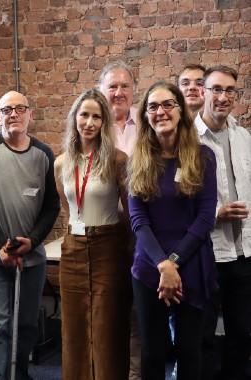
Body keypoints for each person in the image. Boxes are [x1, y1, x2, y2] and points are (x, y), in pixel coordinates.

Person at [0, 90, 60, 380]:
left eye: (20, 109)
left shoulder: (43, 154)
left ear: (30, 115)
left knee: (26, 327)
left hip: (31, 260)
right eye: (7, 110)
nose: (14, 114)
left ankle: (18, 375)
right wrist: (0, 247)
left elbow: (52, 205)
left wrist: (33, 241)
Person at [127, 81, 218, 380]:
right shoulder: (137, 161)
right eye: (152, 106)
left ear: (180, 110)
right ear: (145, 116)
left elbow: (205, 218)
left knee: (190, 351)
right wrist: (163, 265)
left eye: (167, 104)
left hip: (191, 265)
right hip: (150, 268)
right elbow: (138, 220)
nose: (160, 111)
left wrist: (175, 263)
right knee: (153, 352)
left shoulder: (203, 157)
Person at [54, 89, 132, 380]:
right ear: (75, 118)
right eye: (84, 115)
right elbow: (68, 207)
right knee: (73, 331)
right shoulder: (61, 163)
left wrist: (129, 250)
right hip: (73, 248)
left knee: (107, 331)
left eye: (96, 116)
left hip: (109, 248)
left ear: (104, 122)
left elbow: (129, 211)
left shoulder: (118, 160)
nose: (89, 122)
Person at [195, 65, 251, 380]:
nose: (223, 96)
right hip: (207, 254)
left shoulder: (243, 136)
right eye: (216, 89)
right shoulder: (186, 139)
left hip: (244, 255)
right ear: (203, 92)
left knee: (242, 334)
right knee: (203, 336)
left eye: (229, 90)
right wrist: (217, 213)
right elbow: (178, 196)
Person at [98, 59, 141, 380]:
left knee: (138, 316)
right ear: (102, 91)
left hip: (141, 234)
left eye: (124, 85)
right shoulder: (90, 128)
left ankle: (136, 375)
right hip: (104, 235)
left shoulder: (148, 126)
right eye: (112, 86)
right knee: (107, 315)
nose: (118, 92)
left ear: (134, 91)